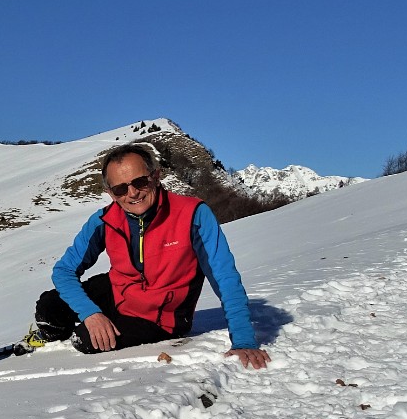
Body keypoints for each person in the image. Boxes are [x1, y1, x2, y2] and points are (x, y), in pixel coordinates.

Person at [32, 143, 271, 369]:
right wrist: (91, 313)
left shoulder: (193, 214)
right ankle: (50, 339)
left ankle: (75, 335)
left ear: (155, 177)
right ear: (110, 193)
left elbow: (224, 277)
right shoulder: (104, 220)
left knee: (86, 339)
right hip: (119, 291)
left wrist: (243, 340)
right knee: (49, 306)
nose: (133, 193)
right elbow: (64, 271)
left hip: (161, 316)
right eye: (120, 188)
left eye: (140, 182)